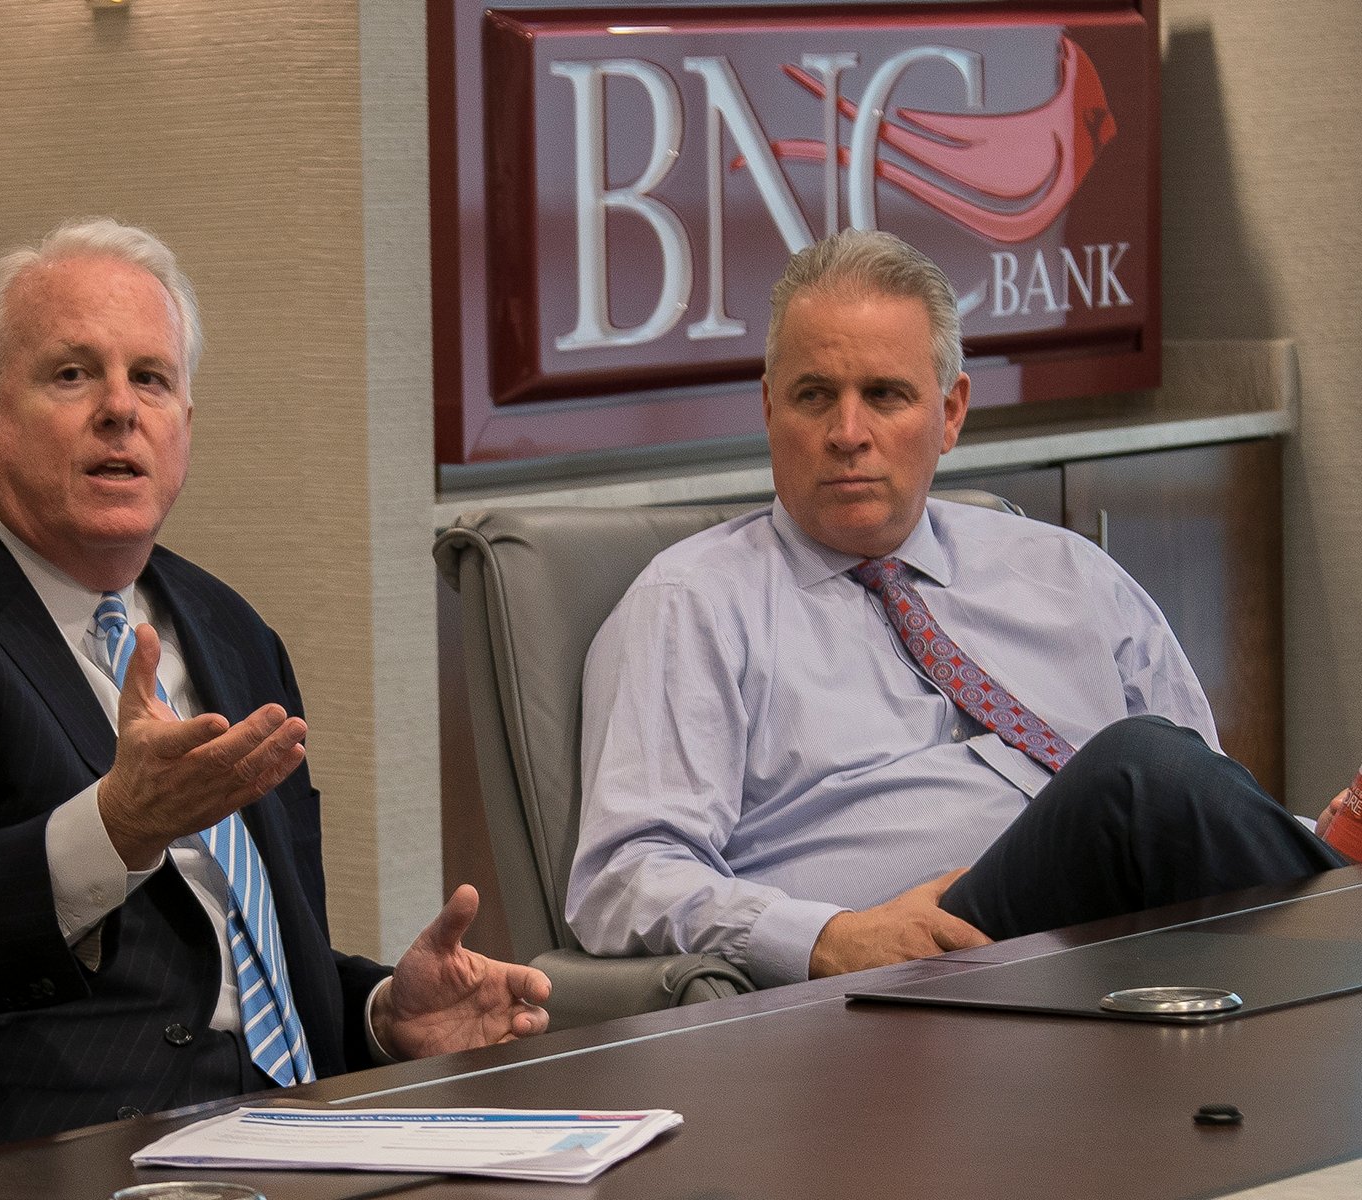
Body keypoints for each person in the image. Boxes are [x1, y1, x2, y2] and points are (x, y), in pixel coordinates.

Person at [0, 219, 549, 1184]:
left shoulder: (231, 632)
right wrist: (114, 830)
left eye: (152, 379)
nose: (120, 410)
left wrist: (381, 1016)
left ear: (186, 428)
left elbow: (214, 970)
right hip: (3, 1144)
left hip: (265, 1144)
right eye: (72, 375)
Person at [567, 228, 1346, 990]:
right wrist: (829, 937)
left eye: (885, 395)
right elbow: (624, 876)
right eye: (814, 396)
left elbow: (1203, 806)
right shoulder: (694, 604)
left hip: (1142, 954)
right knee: (1136, 769)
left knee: (1162, 780)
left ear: (951, 413)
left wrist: (1307, 839)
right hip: (907, 981)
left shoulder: (1069, 573)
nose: (847, 433)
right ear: (770, 410)